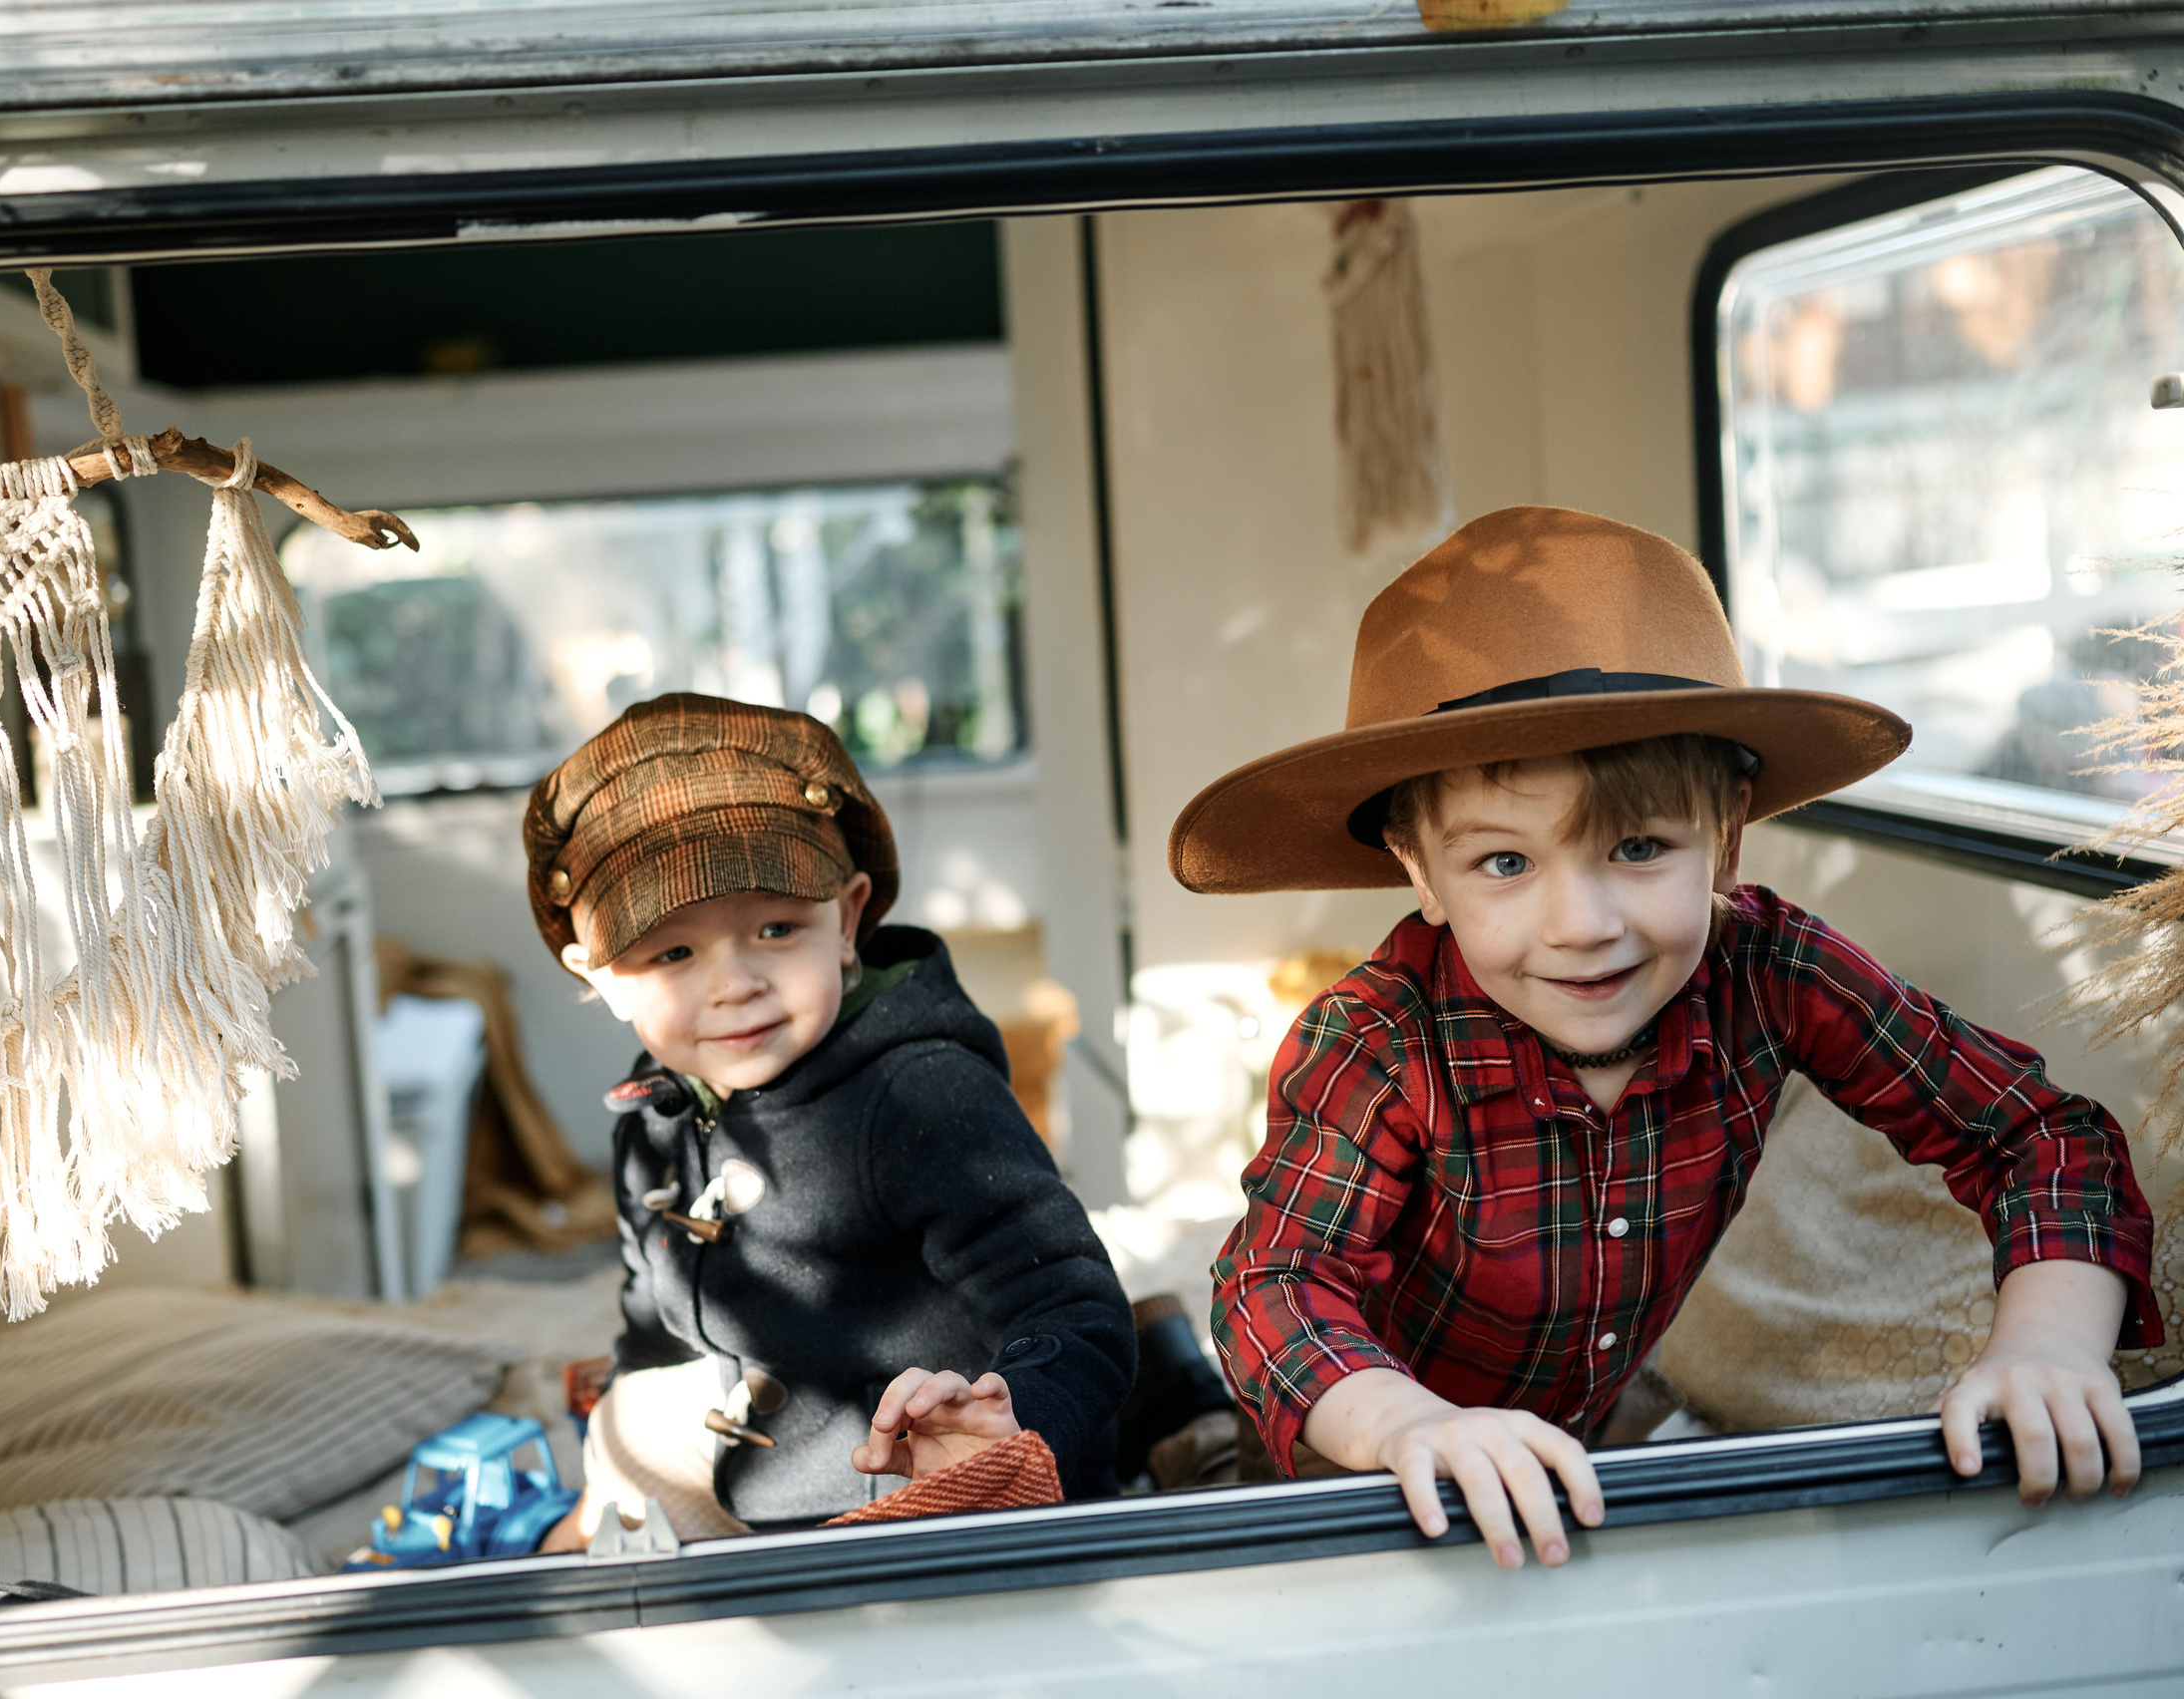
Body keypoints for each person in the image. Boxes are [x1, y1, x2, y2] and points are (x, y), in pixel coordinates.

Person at [1175, 506, 2162, 1572]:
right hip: (1361, 1473)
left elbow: (2037, 1137)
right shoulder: (1376, 1039)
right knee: (1203, 1468)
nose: (1583, 926)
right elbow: (1275, 1282)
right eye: (1503, 865)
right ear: (1418, 867)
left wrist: (2049, 1348)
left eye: (1638, 847)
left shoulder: (1771, 971)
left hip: (1584, 1436)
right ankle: (1172, 1397)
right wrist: (1406, 1426)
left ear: (1726, 834)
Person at [526, 692, 1134, 1544]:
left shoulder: (922, 1096)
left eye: (777, 928)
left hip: (954, 1501)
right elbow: (650, 1320)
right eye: (673, 952)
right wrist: (613, 1471)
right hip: (774, 1498)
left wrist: (1013, 1422)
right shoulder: (654, 1114)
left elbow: (1073, 1306)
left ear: (847, 919)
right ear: (600, 975)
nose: (735, 983)